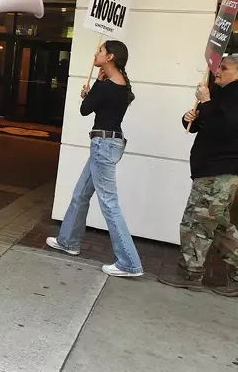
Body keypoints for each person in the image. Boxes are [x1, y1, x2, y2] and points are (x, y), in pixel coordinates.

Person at [46, 40, 143, 278]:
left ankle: (129, 262)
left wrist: (91, 92)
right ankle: (68, 240)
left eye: (100, 51)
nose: (95, 53)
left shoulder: (106, 85)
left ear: (110, 57)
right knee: (81, 194)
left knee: (109, 204)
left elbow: (85, 110)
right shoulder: (123, 85)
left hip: (103, 144)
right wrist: (94, 92)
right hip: (111, 143)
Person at [160, 55, 238, 296]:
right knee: (218, 227)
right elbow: (202, 125)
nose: (218, 71)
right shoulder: (223, 94)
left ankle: (190, 274)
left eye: (224, 68)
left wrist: (205, 103)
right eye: (218, 66)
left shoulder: (235, 95)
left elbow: (227, 129)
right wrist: (191, 117)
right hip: (213, 171)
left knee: (196, 224)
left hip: (218, 172)